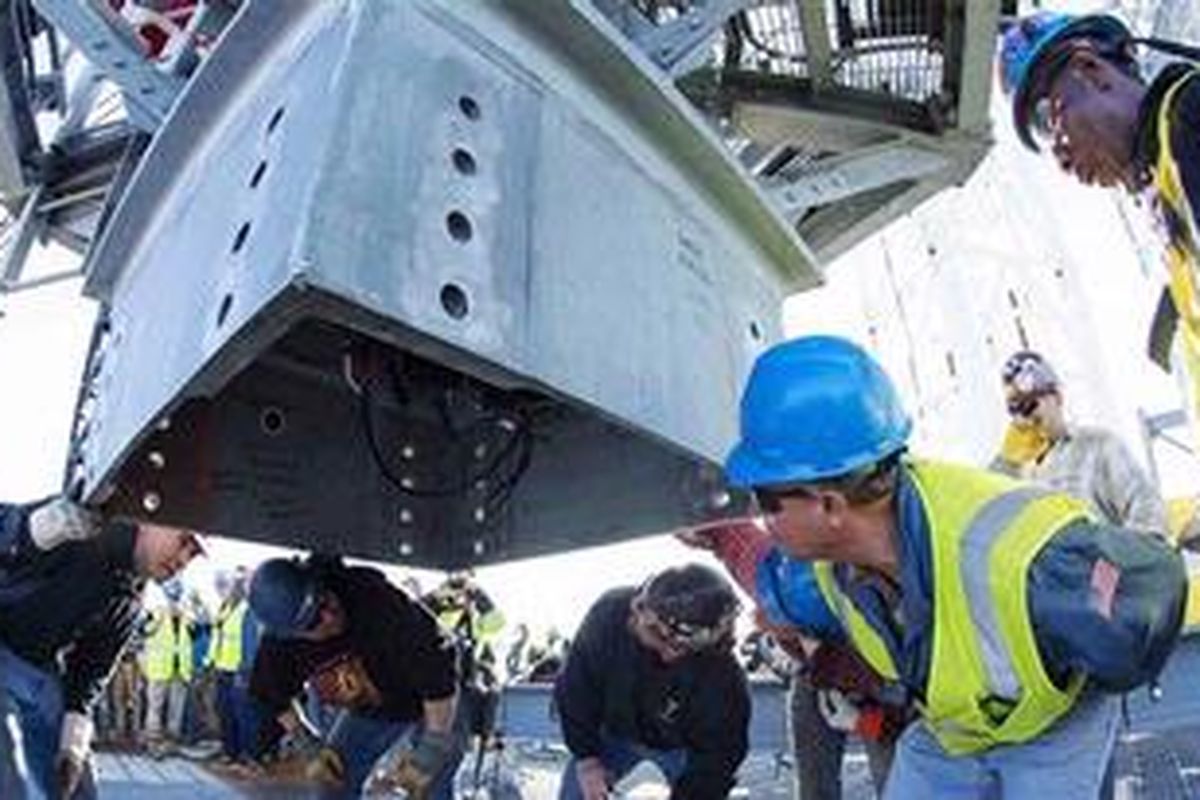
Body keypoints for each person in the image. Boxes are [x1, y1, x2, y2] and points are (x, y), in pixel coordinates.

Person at [724, 335, 1187, 799]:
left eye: (765, 499)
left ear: (829, 504)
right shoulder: (824, 571)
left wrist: (1097, 642)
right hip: (956, 730)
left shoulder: (1027, 559)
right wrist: (722, 535)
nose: (760, 515)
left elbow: (1149, 591)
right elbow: (775, 585)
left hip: (1051, 721)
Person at [999, 12, 1200, 427]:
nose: (1057, 153)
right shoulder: (1168, 182)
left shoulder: (1190, 116)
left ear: (1090, 69)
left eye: (1047, 120)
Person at [679, 520, 907, 799]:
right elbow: (746, 550)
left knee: (899, 783)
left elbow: (907, 724)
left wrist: (864, 721)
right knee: (814, 784)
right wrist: (716, 532)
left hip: (883, 691)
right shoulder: (785, 587)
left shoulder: (906, 654)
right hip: (818, 672)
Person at [0, 496, 205, 799]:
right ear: (150, 520)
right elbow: (9, 531)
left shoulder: (131, 602)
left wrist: (72, 742)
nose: (184, 559)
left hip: (38, 668)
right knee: (9, 772)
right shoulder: (77, 522)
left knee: (79, 785)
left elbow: (91, 671)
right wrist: (35, 529)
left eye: (194, 554)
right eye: (184, 541)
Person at [246, 555, 465, 798]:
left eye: (324, 600)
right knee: (332, 782)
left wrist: (432, 748)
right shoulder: (279, 648)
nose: (329, 616)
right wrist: (306, 744)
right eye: (314, 621)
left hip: (438, 703)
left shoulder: (374, 598)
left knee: (433, 785)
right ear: (290, 635)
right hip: (377, 707)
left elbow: (438, 667)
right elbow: (269, 694)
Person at [555, 564, 750, 800]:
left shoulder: (725, 679)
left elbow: (718, 759)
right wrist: (587, 760)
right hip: (614, 733)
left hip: (683, 747)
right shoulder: (610, 612)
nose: (669, 656)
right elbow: (576, 686)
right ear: (642, 614)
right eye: (661, 639)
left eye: (682, 649)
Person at [992, 350, 1167, 534]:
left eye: (1030, 405)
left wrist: (1130, 550)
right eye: (1016, 410)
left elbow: (1147, 507)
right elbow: (989, 519)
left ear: (1057, 397)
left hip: (1099, 550)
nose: (1025, 417)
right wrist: (1007, 463)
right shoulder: (1015, 473)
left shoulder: (1098, 445)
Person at [142, 580, 195, 754]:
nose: (175, 602)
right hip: (159, 669)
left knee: (176, 708)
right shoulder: (156, 614)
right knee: (155, 708)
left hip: (180, 670)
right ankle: (153, 742)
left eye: (177, 597)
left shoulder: (187, 617)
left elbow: (195, 634)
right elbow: (144, 631)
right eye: (172, 597)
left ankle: (172, 742)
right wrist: (157, 619)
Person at [209, 567, 253, 762]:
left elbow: (247, 640)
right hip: (222, 667)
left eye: (232, 586)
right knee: (224, 711)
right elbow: (217, 637)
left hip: (238, 670)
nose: (226, 590)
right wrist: (210, 661)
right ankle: (229, 751)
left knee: (239, 714)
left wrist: (245, 667)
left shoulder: (246, 610)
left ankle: (242, 753)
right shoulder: (224, 608)